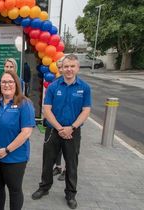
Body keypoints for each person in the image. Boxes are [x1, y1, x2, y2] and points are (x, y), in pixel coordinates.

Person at [31, 54, 91, 209]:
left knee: (72, 163)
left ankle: (70, 194)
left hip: (73, 131)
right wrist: (59, 128)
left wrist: (71, 128)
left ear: (77, 68)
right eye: (66, 66)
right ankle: (44, 187)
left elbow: (86, 111)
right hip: (53, 130)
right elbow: (47, 109)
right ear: (61, 68)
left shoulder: (84, 88)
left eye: (72, 66)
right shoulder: (53, 87)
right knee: (48, 161)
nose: (69, 69)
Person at [0, 70, 35, 210]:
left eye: (10, 82)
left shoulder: (25, 104)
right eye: (4, 82)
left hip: (14, 158)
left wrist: (7, 150)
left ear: (16, 84)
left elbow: (26, 132)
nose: (7, 85)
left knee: (15, 190)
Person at [53, 58, 66, 181]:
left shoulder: (80, 85)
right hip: (56, 123)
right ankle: (58, 167)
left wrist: (72, 127)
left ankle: (67, 171)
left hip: (71, 127)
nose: (61, 70)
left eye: (63, 66)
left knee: (70, 152)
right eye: (59, 67)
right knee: (57, 148)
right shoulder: (55, 83)